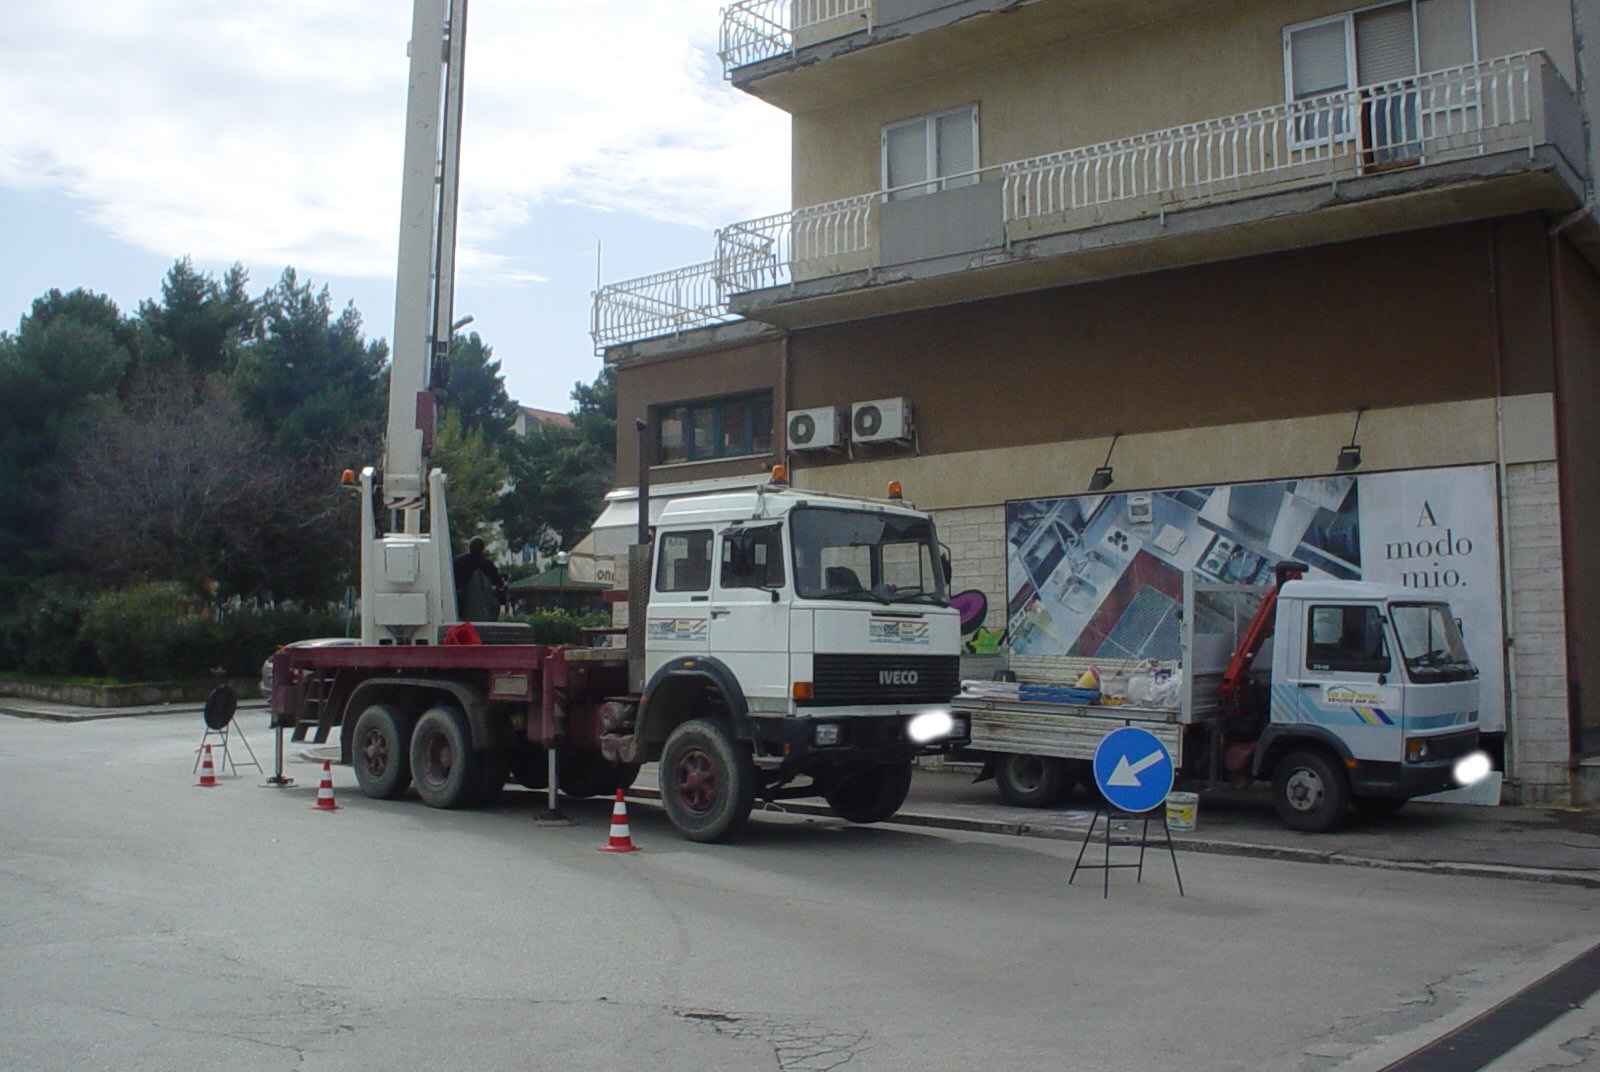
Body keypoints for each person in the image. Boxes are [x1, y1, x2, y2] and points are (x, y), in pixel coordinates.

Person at [454, 536, 506, 622]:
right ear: (482, 549)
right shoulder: (487, 564)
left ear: (470, 548)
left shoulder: (459, 562)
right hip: (485, 607)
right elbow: (499, 583)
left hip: (463, 606)